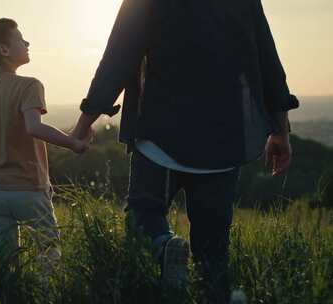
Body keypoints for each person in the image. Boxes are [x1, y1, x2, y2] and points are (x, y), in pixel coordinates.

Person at [72, 0, 299, 302]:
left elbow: (118, 58)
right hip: (224, 141)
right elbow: (268, 60)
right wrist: (280, 130)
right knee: (213, 249)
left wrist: (84, 123)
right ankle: (216, 295)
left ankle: (163, 246)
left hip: (160, 137)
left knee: (143, 217)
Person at [0, 19, 92, 267]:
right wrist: (73, 144)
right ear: (4, 50)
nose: (27, 43)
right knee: (49, 260)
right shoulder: (29, 85)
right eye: (21, 39)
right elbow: (34, 127)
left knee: (4, 266)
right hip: (27, 188)